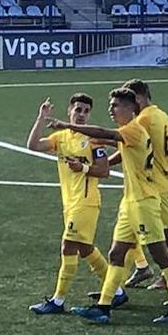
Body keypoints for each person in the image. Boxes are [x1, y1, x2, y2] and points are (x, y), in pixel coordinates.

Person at [55, 88, 168, 324]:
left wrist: (69, 126)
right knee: (116, 252)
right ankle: (104, 307)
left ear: (131, 107)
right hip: (131, 201)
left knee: (160, 253)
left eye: (116, 105)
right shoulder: (132, 129)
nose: (111, 109)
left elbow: (105, 133)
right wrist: (96, 141)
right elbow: (109, 138)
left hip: (144, 201)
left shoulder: (134, 128)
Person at [26, 94, 113, 314]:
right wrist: (41, 118)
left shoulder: (93, 140)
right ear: (69, 111)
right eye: (78, 110)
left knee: (68, 246)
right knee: (85, 249)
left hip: (86, 201)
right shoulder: (61, 137)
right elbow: (33, 145)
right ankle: (118, 291)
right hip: (70, 202)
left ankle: (58, 300)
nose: (81, 115)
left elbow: (104, 171)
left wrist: (83, 168)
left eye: (85, 111)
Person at [118, 79, 168, 302]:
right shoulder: (162, 115)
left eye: (129, 101)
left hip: (148, 188)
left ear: (138, 98)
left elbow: (130, 148)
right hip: (162, 184)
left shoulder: (142, 120)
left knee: (154, 244)